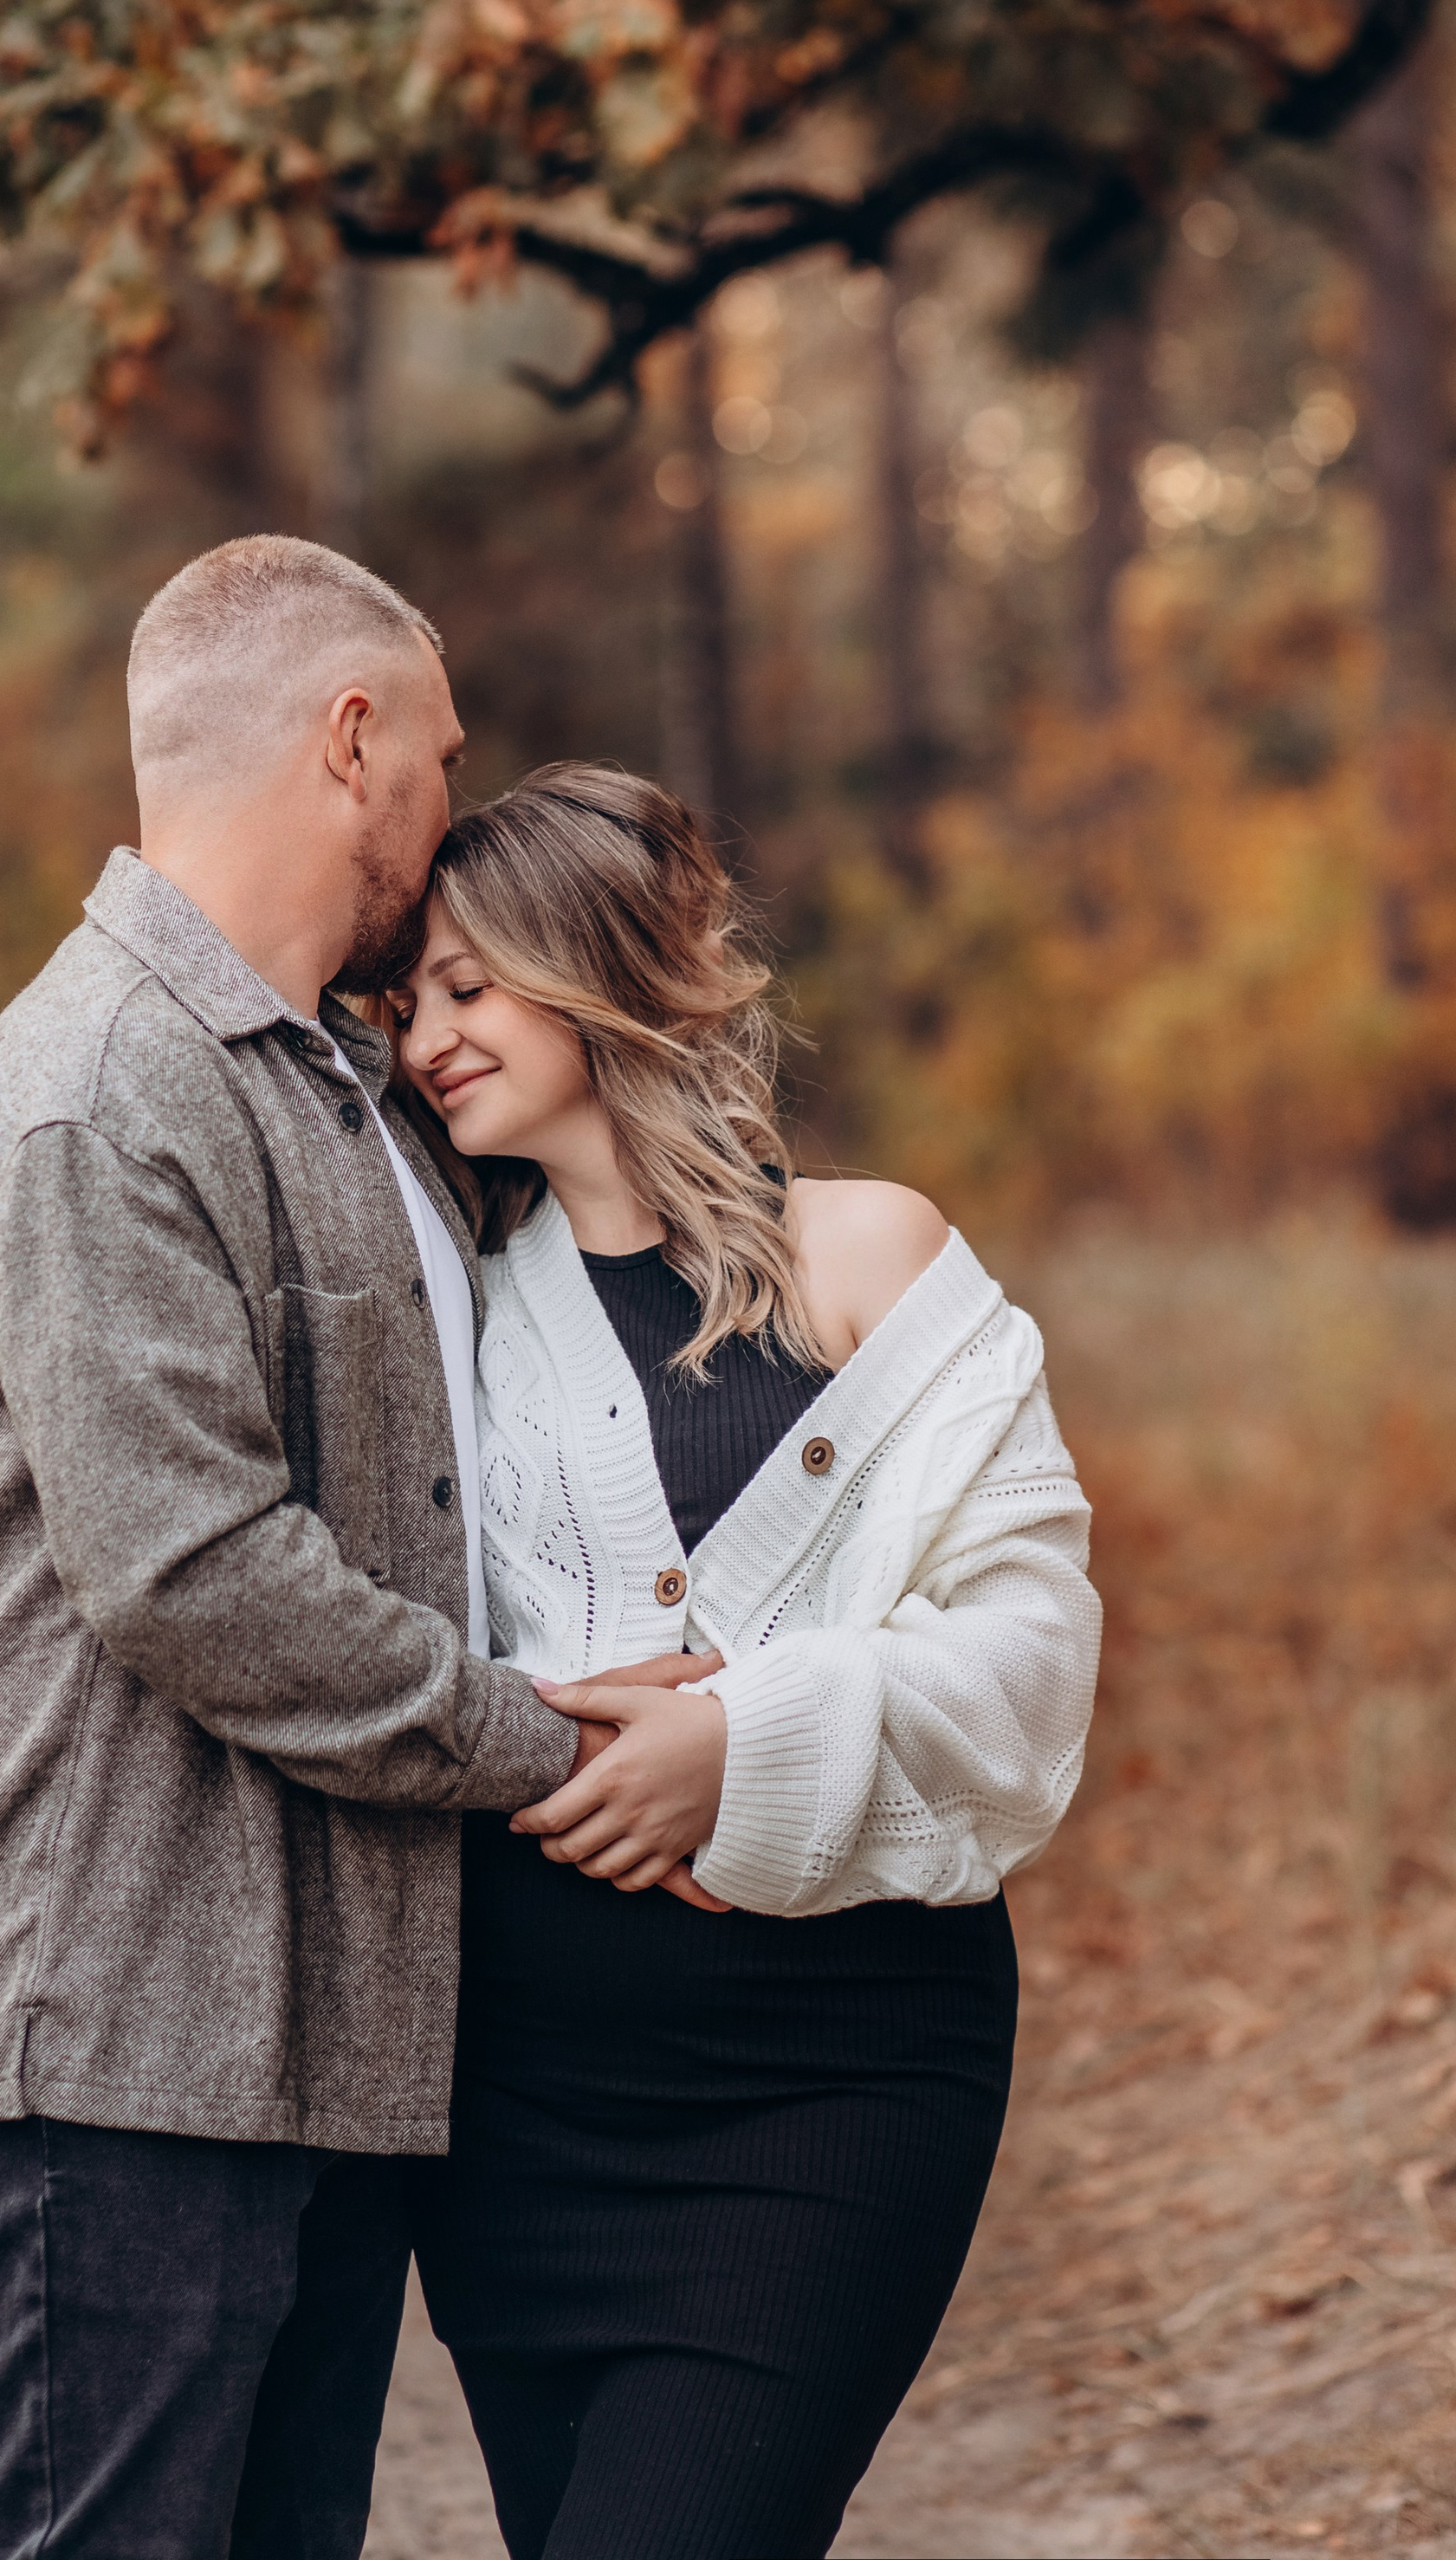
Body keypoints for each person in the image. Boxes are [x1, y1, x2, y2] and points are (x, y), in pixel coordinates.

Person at [0, 537, 586, 2560]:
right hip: (120, 2057)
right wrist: (546, 1744)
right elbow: (187, 1572)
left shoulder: (340, 1090)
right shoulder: (103, 1094)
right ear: (349, 741)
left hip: (312, 2058)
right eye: (441, 757)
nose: (452, 808)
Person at [389, 763, 1103, 2560]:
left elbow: (1030, 1664)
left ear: (591, 964)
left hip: (834, 2077)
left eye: (466, 986)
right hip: (525, 2106)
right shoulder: (458, 1324)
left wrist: (751, 1740)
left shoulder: (870, 1257)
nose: (425, 1038)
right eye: (406, 1002)